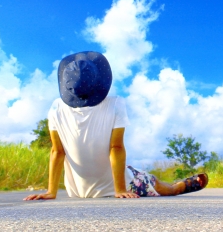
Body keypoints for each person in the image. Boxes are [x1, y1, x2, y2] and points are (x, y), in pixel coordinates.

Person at [24, 51, 208, 200]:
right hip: (111, 186)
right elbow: (116, 147)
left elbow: (57, 152)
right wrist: (119, 189)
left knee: (135, 172)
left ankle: (170, 183)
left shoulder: (56, 107)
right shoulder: (115, 104)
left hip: (78, 191)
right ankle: (178, 186)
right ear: (99, 81)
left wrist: (51, 192)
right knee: (157, 184)